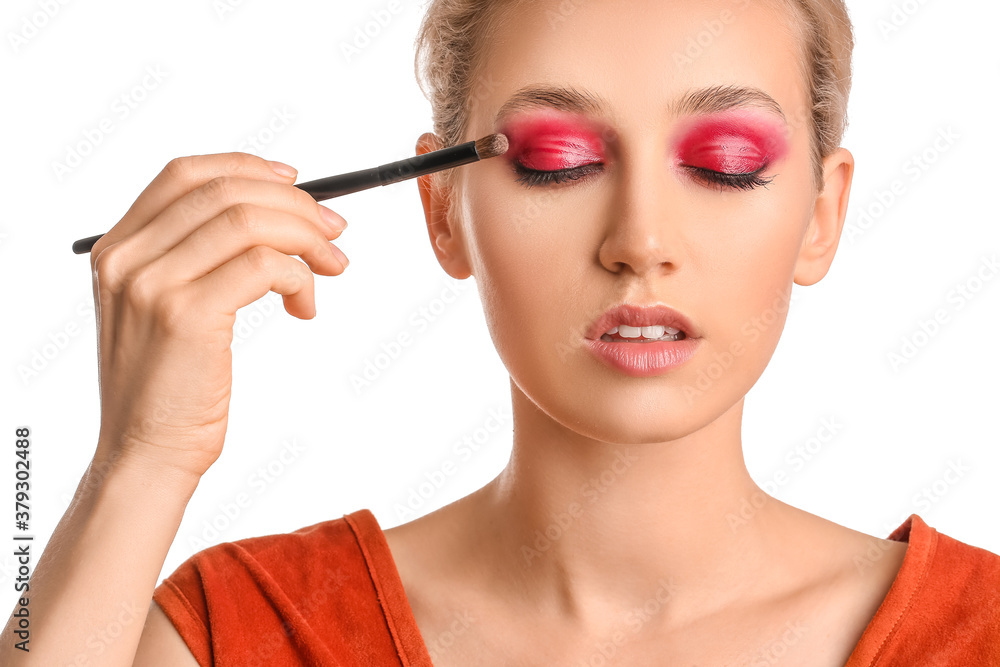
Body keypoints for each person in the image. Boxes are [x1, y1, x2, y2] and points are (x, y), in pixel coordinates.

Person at [4, 0, 998, 665]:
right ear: (442, 211)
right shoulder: (258, 627)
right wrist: (141, 459)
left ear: (821, 214)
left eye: (727, 160)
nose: (638, 241)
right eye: (559, 158)